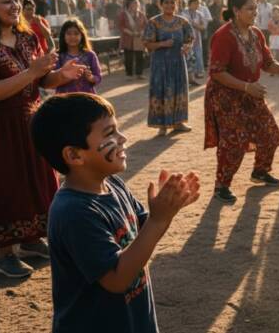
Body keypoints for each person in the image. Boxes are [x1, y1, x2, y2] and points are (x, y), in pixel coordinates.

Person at [31, 93, 200, 332]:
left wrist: (166, 207)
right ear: (74, 155)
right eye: (110, 133)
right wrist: (159, 220)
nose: (123, 138)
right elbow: (117, 278)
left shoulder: (113, 183)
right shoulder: (73, 213)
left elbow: (142, 229)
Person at [0, 0, 85, 278]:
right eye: (6, 1)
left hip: (30, 121)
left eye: (16, 0)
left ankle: (31, 239)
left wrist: (59, 75)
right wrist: (33, 72)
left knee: (36, 182)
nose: (14, 6)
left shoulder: (26, 38)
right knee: (4, 185)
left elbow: (40, 81)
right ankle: (3, 255)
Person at [204, 0, 279, 203]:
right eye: (250, 8)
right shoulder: (223, 36)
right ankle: (222, 186)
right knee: (233, 142)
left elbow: (267, 63)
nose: (254, 12)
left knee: (269, 134)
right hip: (225, 96)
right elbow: (217, 72)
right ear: (236, 11)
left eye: (255, 8)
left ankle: (260, 171)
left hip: (250, 92)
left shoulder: (256, 33)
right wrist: (246, 87)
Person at [143, 0, 194, 136]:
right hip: (160, 64)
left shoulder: (183, 22)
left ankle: (179, 122)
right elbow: (147, 44)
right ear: (161, 4)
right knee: (161, 91)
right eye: (166, 2)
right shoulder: (153, 22)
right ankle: (162, 125)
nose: (169, 5)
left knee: (179, 90)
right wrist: (162, 43)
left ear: (176, 4)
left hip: (178, 62)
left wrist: (187, 46)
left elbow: (190, 38)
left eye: (172, 2)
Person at [54, 18, 102, 94]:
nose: (72, 37)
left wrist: (90, 77)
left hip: (86, 97)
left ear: (82, 35)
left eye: (76, 33)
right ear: (63, 35)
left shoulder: (90, 55)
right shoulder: (57, 56)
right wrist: (65, 74)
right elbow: (52, 81)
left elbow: (98, 77)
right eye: (69, 33)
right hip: (64, 99)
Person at [117, 0, 147, 80]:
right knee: (128, 57)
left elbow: (146, 25)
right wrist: (129, 32)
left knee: (140, 56)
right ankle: (129, 74)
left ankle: (139, 73)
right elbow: (120, 26)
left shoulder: (141, 14)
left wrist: (142, 32)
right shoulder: (123, 14)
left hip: (139, 38)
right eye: (134, 3)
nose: (136, 5)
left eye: (137, 3)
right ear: (129, 4)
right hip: (128, 38)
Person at [185, 0, 209, 85]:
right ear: (189, 4)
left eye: (197, 4)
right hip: (186, 40)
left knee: (198, 56)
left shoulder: (199, 14)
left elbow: (204, 26)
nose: (196, 5)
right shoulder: (184, 13)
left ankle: (196, 76)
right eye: (194, 3)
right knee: (189, 58)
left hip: (197, 39)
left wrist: (196, 25)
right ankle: (189, 78)